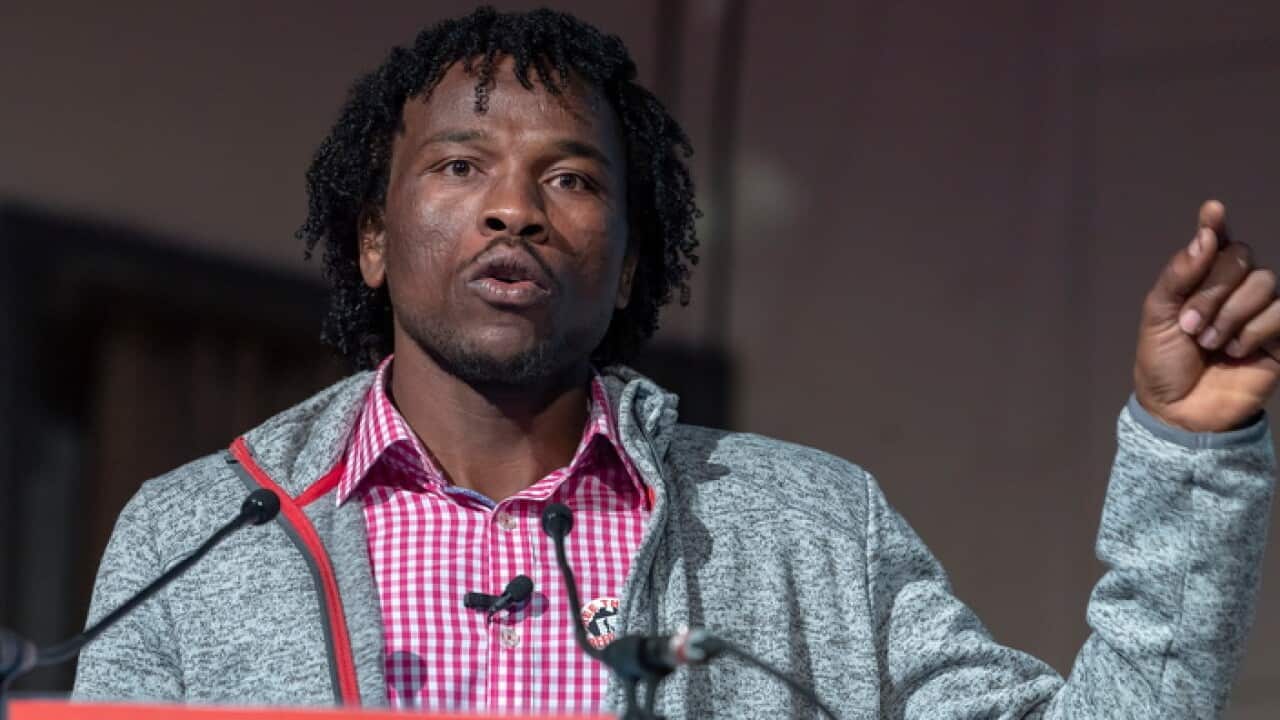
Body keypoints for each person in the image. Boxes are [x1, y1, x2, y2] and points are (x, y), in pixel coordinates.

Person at [72, 7, 1279, 719]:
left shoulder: (807, 527)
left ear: (629, 255)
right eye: (457, 167)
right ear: (374, 240)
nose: (514, 210)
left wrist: (1191, 455)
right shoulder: (196, 534)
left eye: (571, 178)